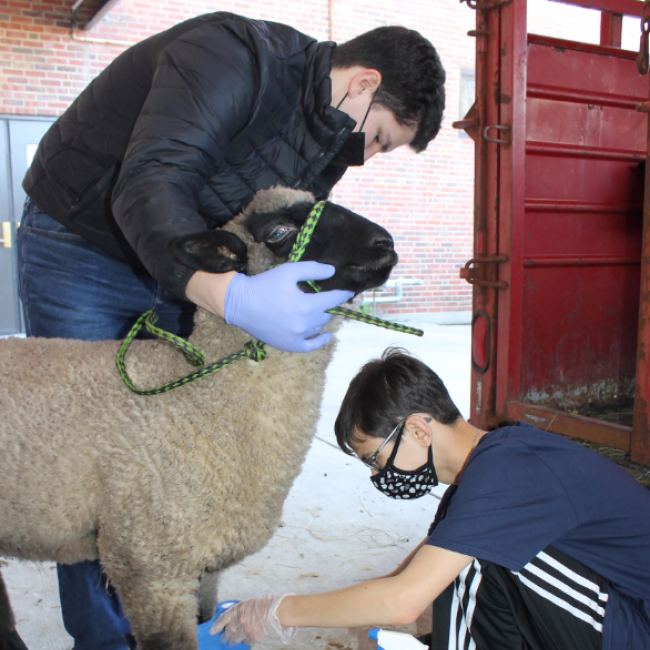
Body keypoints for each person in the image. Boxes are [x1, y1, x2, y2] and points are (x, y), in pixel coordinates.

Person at [17, 12, 445, 650]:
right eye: (380, 137)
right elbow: (151, 180)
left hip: (183, 259)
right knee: (88, 463)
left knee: (170, 461)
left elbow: (278, 233)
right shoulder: (228, 55)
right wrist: (230, 295)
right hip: (83, 244)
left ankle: (178, 623)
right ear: (363, 83)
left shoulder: (327, 140)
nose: (370, 155)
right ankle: (106, 640)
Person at [213, 349, 650, 650]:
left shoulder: (510, 472)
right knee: (455, 567)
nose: (377, 476)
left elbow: (406, 600)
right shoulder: (481, 481)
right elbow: (406, 585)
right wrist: (366, 620)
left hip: (635, 628)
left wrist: (282, 610)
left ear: (419, 429)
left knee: (478, 561)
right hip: (608, 620)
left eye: (376, 459)